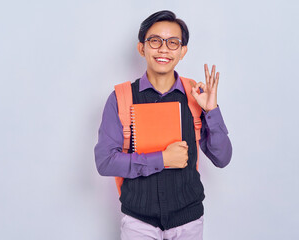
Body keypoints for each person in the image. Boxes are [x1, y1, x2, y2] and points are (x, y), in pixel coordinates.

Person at [94, 10, 232, 240]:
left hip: (188, 221)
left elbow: (222, 158)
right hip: (139, 222)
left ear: (182, 51)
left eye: (173, 42)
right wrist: (162, 159)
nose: (164, 49)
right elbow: (105, 163)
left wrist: (211, 110)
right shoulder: (121, 97)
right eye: (155, 41)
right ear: (142, 48)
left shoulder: (196, 95)